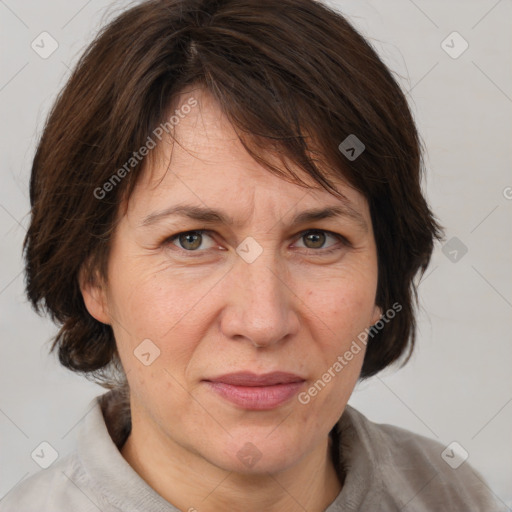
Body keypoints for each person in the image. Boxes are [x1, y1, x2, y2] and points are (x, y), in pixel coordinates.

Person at [0, 0, 505, 511]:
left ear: (384, 276)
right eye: (192, 239)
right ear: (95, 279)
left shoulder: (456, 496)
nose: (263, 321)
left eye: (316, 239)